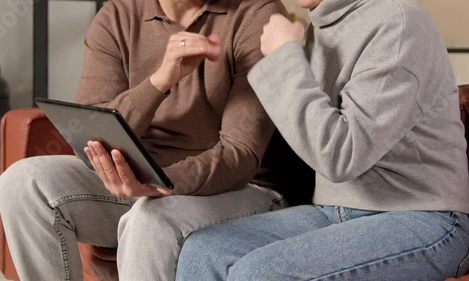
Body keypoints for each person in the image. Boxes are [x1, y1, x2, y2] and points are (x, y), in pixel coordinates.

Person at [0, 0, 293, 280]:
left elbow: (240, 154)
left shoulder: (256, 13)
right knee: (24, 182)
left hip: (242, 191)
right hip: (140, 181)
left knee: (151, 219)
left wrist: (161, 182)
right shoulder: (118, 15)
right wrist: (160, 81)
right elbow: (89, 133)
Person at [175, 0, 469, 280]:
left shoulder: (398, 24)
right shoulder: (322, 23)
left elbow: (342, 156)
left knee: (261, 273)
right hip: (335, 211)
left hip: (427, 218)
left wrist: (284, 58)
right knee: (204, 251)